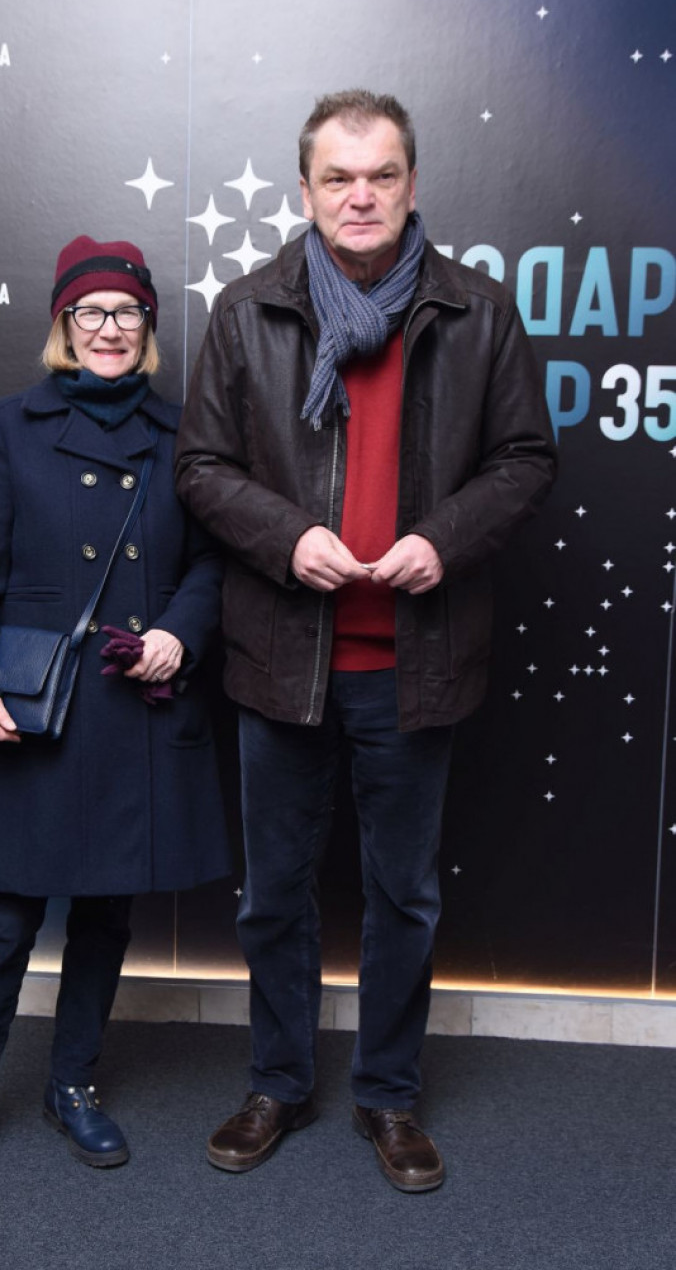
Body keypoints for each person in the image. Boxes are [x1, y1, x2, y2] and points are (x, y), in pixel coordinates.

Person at [175, 90, 556, 1192]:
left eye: (382, 175)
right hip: (281, 661)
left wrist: (445, 540)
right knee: (274, 897)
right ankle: (279, 1082)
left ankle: (388, 1095)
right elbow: (201, 468)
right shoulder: (247, 312)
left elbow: (526, 460)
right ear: (305, 191)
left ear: (412, 184)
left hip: (415, 666)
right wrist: (288, 538)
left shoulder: (479, 314)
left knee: (403, 898)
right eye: (338, 177)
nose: (360, 196)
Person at [0, 235, 230, 1195]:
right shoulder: (10, 426)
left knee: (105, 917)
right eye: (90, 312)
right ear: (63, 325)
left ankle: (72, 1084)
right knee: (2, 922)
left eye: (126, 312)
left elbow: (213, 561)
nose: (108, 328)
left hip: (131, 706)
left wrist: (179, 631)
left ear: (147, 327)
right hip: (33, 711)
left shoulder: (183, 435)